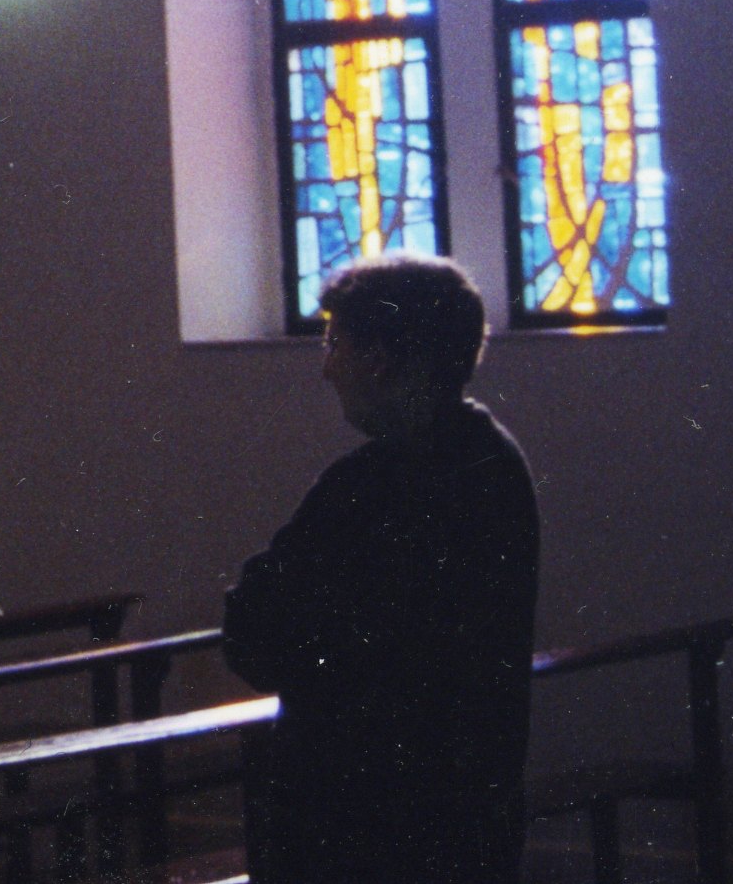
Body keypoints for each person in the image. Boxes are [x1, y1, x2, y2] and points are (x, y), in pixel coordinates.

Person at [224, 253, 540, 884]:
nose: (326, 368)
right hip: (467, 807)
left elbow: (256, 636)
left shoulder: (368, 487)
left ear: (379, 359)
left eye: (334, 344)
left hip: (360, 819)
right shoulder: (494, 461)